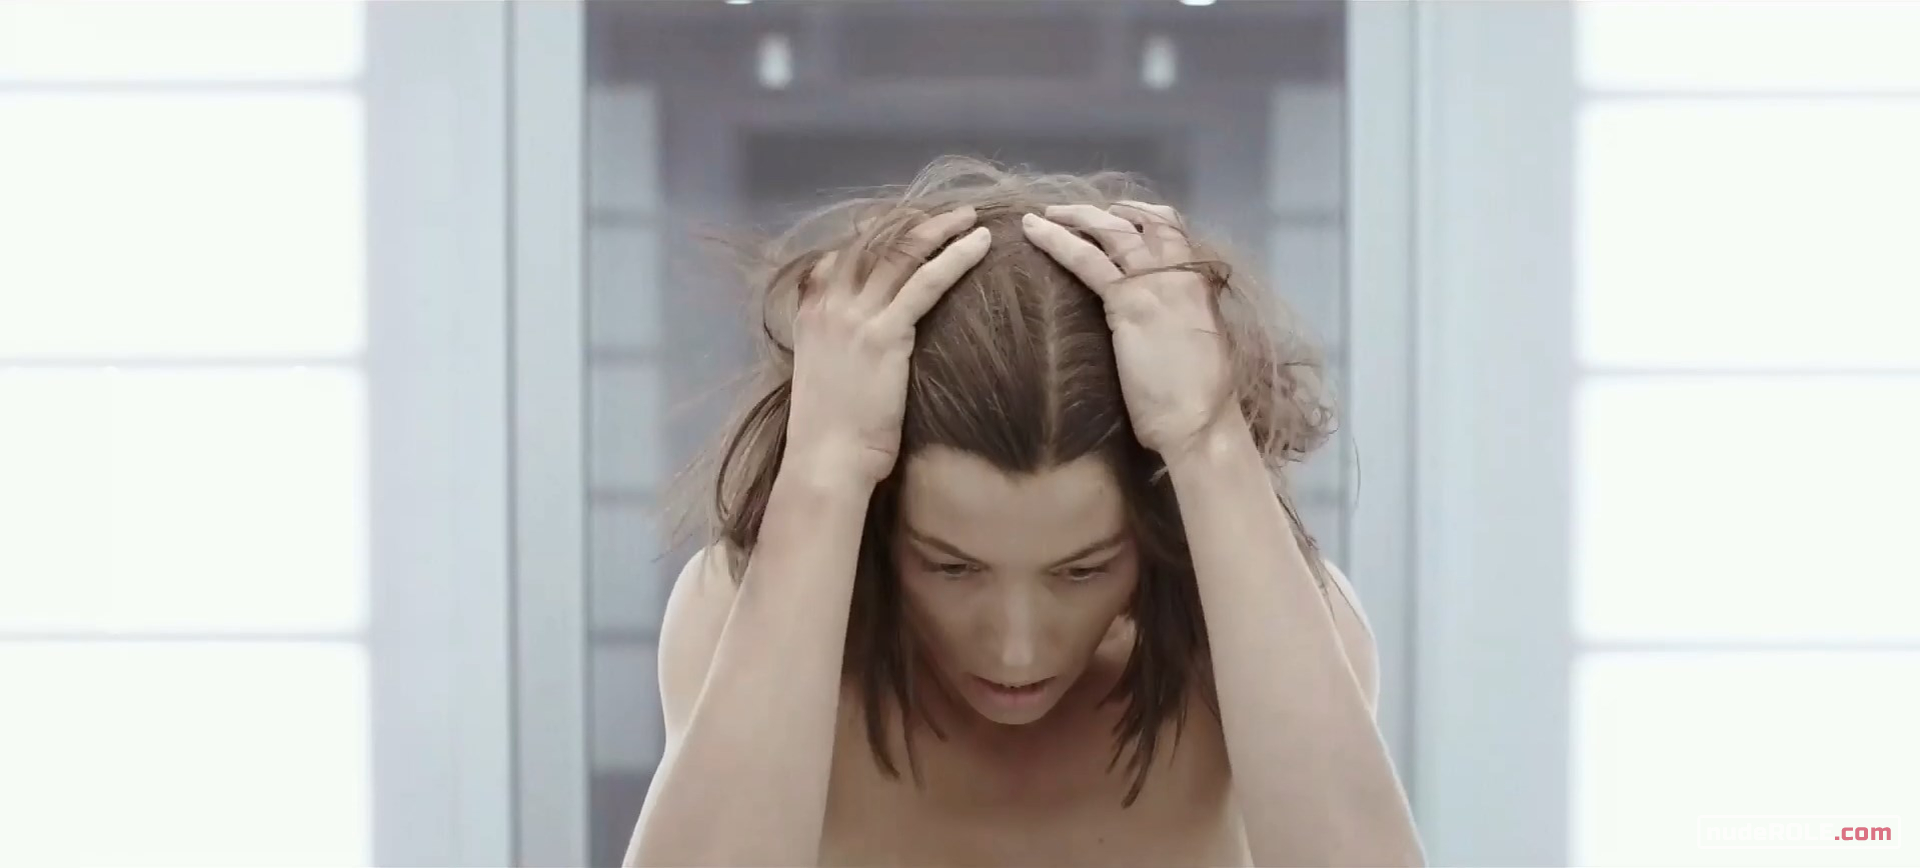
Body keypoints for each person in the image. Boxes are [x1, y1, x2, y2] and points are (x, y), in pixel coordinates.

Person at [624, 158, 1422, 867]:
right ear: (879, 532)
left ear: (1155, 540)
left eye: (1082, 571)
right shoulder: (741, 617)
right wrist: (823, 467)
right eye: (950, 567)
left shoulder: (1269, 630)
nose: (1017, 649)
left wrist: (1208, 441)